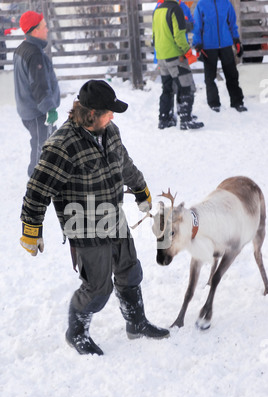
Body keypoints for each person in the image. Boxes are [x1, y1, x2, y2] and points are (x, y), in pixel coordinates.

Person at [20, 80, 170, 356]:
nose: (113, 116)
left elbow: (124, 164)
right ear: (91, 114)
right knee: (98, 287)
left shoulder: (110, 131)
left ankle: (136, 323)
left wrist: (141, 191)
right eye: (108, 112)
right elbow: (37, 190)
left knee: (130, 271)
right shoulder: (61, 146)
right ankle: (75, 333)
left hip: (113, 216)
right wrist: (31, 229)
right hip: (85, 226)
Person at [14, 10, 60, 177]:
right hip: (38, 112)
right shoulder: (34, 54)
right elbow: (39, 86)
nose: (47, 29)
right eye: (44, 26)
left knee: (46, 143)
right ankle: (37, 180)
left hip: (29, 110)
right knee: (43, 146)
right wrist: (50, 109)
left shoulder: (22, 48)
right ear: (35, 30)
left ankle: (46, 175)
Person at [152, 0, 204, 130]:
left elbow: (154, 35)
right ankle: (186, 119)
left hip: (162, 56)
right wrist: (187, 52)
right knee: (187, 86)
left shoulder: (158, 10)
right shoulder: (176, 9)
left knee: (167, 88)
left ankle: (165, 119)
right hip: (175, 56)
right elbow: (179, 36)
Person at [193, 0, 247, 112]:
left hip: (225, 44)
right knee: (210, 77)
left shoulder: (226, 3)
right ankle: (214, 103)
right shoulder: (201, 4)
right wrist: (197, 43)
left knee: (232, 74)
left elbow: (232, 23)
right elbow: (197, 26)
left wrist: (236, 40)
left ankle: (237, 102)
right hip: (209, 46)